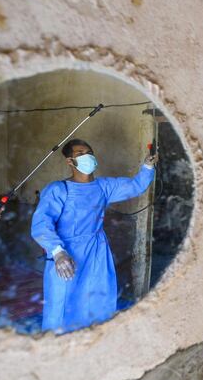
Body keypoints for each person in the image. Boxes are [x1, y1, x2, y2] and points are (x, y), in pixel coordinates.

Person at [31, 138, 157, 333]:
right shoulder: (58, 190)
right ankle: (56, 348)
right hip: (65, 253)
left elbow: (135, 186)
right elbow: (41, 224)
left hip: (96, 252)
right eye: (80, 154)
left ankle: (94, 344)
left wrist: (148, 167)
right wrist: (58, 252)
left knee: (98, 299)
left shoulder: (103, 187)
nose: (87, 157)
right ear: (70, 162)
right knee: (62, 302)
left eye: (89, 153)